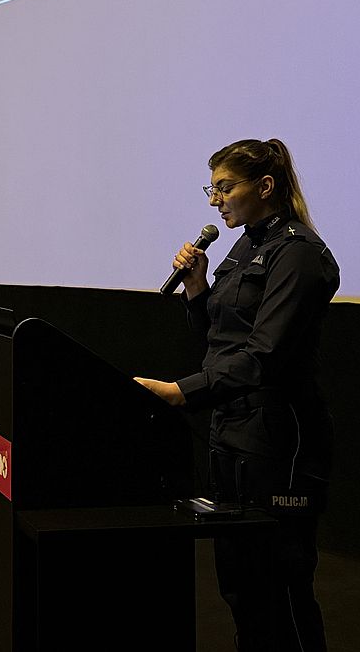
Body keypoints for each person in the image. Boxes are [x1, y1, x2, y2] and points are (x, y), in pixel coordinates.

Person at [134, 138, 339, 652]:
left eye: (225, 188)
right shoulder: (244, 245)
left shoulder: (298, 254)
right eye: (212, 189)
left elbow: (263, 355)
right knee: (241, 588)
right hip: (231, 431)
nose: (215, 201)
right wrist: (197, 289)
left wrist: (181, 393)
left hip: (277, 443)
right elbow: (221, 341)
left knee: (280, 586)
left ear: (265, 186)